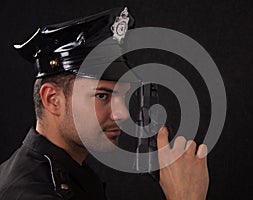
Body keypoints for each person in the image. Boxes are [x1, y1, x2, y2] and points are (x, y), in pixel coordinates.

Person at [0, 6, 209, 200]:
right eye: (102, 95)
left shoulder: (70, 175)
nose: (123, 114)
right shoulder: (32, 192)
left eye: (124, 96)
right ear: (53, 100)